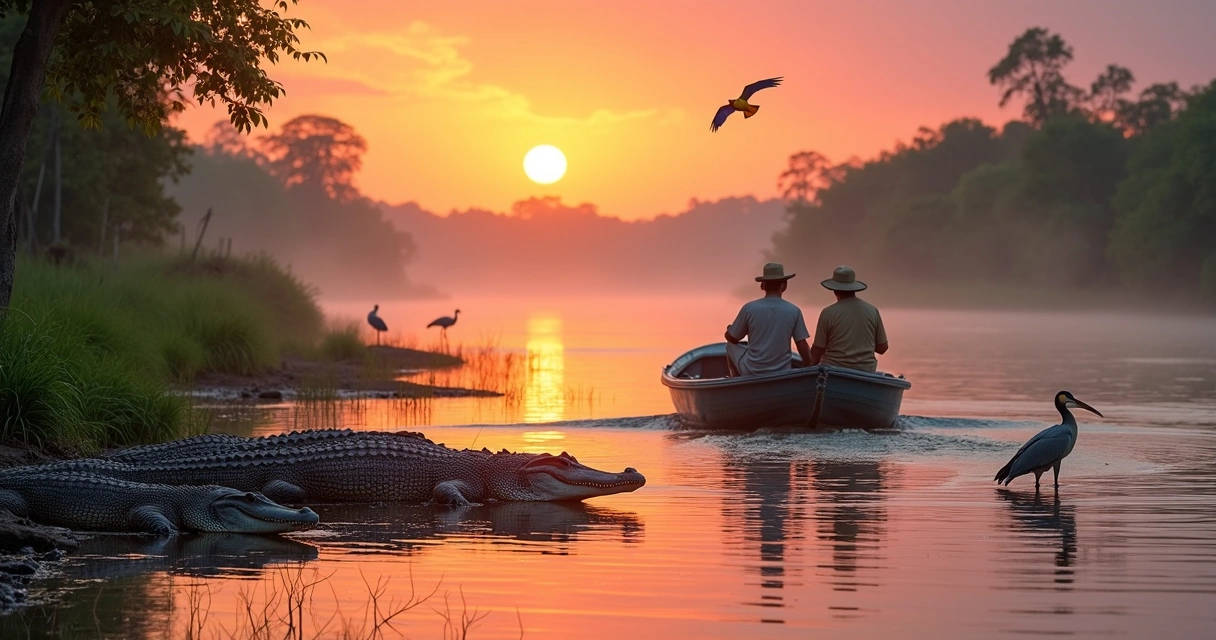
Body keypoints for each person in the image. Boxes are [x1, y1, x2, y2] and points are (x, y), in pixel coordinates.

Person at [724, 263, 813, 376]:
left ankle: (735, 380)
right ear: (784, 286)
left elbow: (732, 338)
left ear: (762, 286)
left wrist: (730, 330)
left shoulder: (749, 308)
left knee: (729, 346)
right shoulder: (794, 311)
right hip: (782, 371)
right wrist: (808, 366)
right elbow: (802, 345)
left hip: (751, 370)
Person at [809, 265, 888, 372]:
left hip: (833, 370)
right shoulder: (872, 310)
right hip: (866, 370)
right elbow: (882, 348)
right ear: (854, 288)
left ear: (834, 290)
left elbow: (818, 349)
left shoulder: (828, 313)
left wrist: (809, 365)